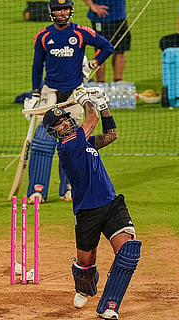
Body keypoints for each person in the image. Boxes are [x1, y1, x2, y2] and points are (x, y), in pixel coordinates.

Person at [42, 87, 141, 320]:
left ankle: (110, 306)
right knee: (86, 263)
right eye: (59, 124)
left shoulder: (84, 141)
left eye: (66, 119)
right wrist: (88, 100)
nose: (65, 124)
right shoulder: (68, 147)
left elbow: (111, 134)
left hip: (111, 204)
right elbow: (92, 118)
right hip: (87, 212)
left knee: (127, 253)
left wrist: (104, 105)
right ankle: (84, 288)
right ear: (53, 132)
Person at [25, 0, 114, 204]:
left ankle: (70, 187)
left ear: (71, 10)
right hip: (51, 91)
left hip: (75, 93)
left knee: (74, 140)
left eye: (65, 9)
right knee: (42, 141)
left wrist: (93, 64)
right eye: (58, 9)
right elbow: (37, 66)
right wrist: (36, 94)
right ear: (52, 12)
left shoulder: (81, 32)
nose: (62, 13)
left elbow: (107, 47)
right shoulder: (43, 36)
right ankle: (37, 190)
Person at [82, 0, 130, 83]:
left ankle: (118, 83)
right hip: (102, 18)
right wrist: (91, 5)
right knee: (101, 51)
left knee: (120, 50)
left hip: (120, 16)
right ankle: (101, 84)